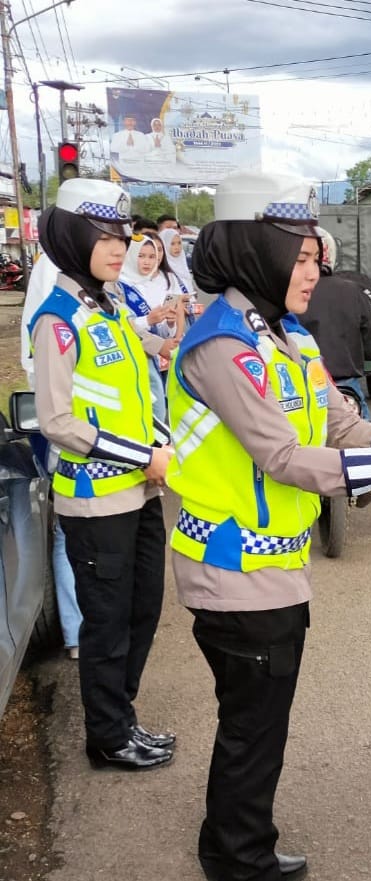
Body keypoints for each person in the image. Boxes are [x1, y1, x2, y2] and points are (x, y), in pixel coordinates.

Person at [167, 170, 371, 881]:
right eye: (301, 257)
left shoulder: (289, 339)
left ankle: (236, 838)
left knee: (260, 724)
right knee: (252, 727)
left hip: (274, 570)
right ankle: (237, 858)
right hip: (233, 572)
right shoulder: (223, 345)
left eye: (316, 256)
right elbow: (280, 456)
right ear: (257, 251)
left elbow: (341, 424)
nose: (315, 270)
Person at [29, 178, 178, 771]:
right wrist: (145, 456)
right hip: (95, 504)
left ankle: (123, 718)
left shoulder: (109, 306)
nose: (119, 248)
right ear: (72, 237)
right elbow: (57, 420)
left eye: (123, 236)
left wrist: (160, 442)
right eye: (104, 237)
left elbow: (140, 386)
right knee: (108, 623)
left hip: (139, 494)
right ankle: (107, 737)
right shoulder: (58, 319)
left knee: (143, 611)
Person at [299, 226, 371, 534]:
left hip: (306, 382)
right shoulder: (353, 291)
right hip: (347, 382)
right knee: (366, 435)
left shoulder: (292, 296)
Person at [20, 250, 83, 660]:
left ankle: (79, 634)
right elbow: (37, 358)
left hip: (102, 447)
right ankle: (76, 633)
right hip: (71, 432)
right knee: (66, 532)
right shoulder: (56, 304)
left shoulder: (99, 295)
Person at [119, 235, 181, 423]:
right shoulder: (119, 285)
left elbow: (160, 330)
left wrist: (169, 323)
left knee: (159, 409)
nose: (147, 262)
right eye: (141, 256)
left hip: (155, 357)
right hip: (133, 357)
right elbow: (121, 326)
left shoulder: (153, 284)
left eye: (152, 257)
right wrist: (148, 319)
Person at [159, 227, 196, 293]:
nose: (177, 247)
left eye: (179, 243)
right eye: (172, 244)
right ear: (164, 245)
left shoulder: (182, 265)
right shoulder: (161, 272)